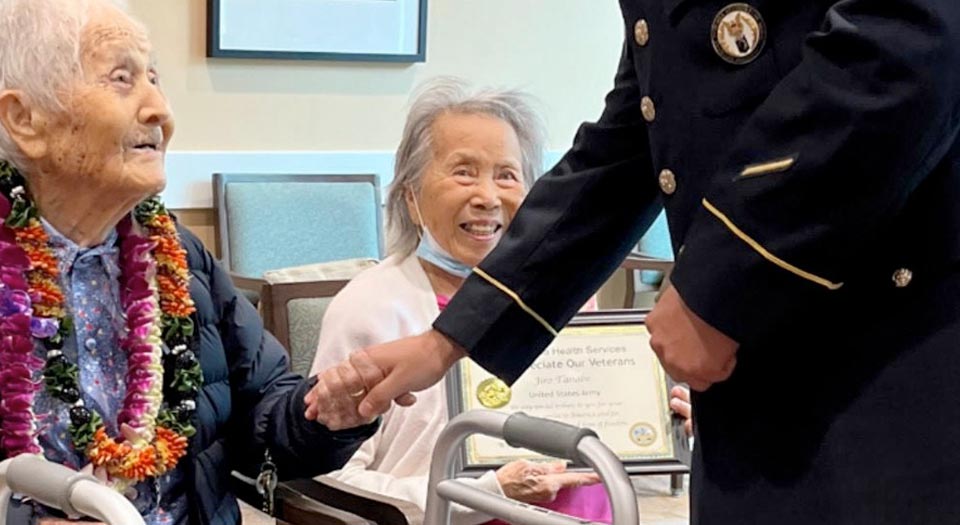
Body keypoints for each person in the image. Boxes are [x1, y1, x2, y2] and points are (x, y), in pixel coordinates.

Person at [308, 1, 960, 524]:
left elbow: (906, 49)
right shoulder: (373, 299)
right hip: (756, 402)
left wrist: (717, 284)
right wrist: (449, 339)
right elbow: (626, 146)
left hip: (889, 382)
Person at [0, 1, 375, 523]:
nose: (160, 109)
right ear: (26, 121)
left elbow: (259, 418)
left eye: (154, 78)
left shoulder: (178, 256)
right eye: (121, 78)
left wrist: (326, 413)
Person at [308, 79, 614, 525]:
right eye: (463, 172)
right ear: (411, 197)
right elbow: (334, 480)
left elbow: (606, 434)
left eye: (507, 175)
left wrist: (668, 425)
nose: (487, 197)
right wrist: (488, 493)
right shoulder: (367, 307)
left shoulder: (568, 300)